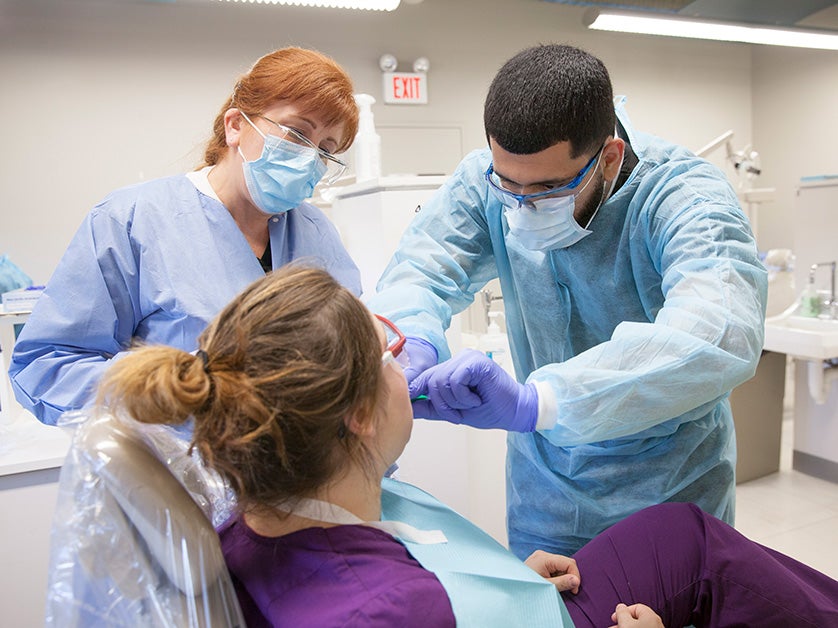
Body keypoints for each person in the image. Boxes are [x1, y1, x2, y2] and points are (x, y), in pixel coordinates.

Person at [95, 265, 837, 628]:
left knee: (685, 535)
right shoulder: (388, 614)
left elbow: (404, 561)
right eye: (391, 350)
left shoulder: (268, 517)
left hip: (515, 605)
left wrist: (498, 581)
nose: (407, 360)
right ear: (356, 414)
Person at [365, 43, 768, 559]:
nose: (523, 206)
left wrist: (543, 402)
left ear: (609, 158)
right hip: (546, 489)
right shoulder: (484, 180)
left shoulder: (685, 198)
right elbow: (424, 265)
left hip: (668, 484)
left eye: (550, 189)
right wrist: (411, 333)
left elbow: (718, 332)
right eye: (508, 187)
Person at [9, 46, 361, 426]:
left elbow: (353, 353)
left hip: (305, 473)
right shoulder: (132, 220)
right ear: (236, 126)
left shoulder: (317, 233)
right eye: (297, 133)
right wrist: (170, 392)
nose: (310, 159)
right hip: (175, 474)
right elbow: (46, 365)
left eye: (326, 151)